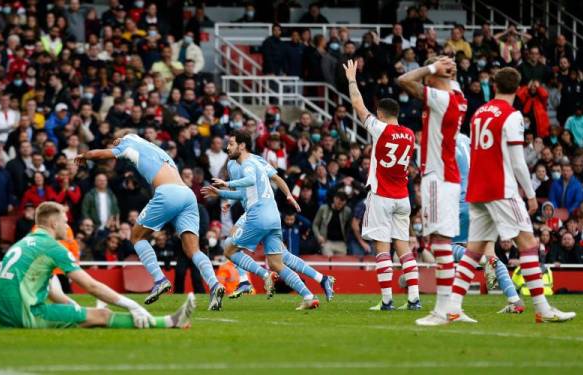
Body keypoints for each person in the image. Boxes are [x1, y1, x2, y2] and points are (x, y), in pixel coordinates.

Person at [448, 67, 575, 324]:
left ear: (494, 85)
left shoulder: (479, 114)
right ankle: (542, 309)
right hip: (500, 189)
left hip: (477, 190)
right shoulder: (512, 115)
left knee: (473, 250)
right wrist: (529, 194)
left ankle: (452, 307)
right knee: (528, 244)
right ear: (518, 89)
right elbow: (518, 161)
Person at [75, 132, 225, 309]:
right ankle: (215, 285)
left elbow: (99, 154)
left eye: (119, 138)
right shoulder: (158, 151)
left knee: (137, 237)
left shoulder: (129, 145)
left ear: (128, 137)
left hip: (168, 193)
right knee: (193, 249)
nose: (116, 142)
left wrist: (84, 156)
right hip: (187, 195)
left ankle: (159, 279)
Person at [0, 202, 195, 329]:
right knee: (102, 314)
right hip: (25, 316)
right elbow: (91, 286)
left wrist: (75, 310)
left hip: (6, 318)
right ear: (54, 224)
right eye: (65, 222)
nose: (67, 226)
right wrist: (132, 305)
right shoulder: (52, 247)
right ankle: (169, 322)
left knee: (83, 317)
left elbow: (51, 290)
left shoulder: (21, 245)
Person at [203, 145, 334, 301]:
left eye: (231, 144)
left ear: (241, 146)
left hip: (256, 213)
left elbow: (265, 181)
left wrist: (288, 195)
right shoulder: (248, 162)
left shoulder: (248, 163)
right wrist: (229, 201)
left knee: (230, 245)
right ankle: (317, 285)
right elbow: (249, 190)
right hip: (271, 213)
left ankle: (250, 279)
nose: (228, 147)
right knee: (280, 258)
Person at [344, 59, 422, 311]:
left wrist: (352, 79)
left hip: (382, 195)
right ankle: (414, 298)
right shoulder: (410, 135)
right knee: (404, 247)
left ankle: (387, 300)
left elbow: (357, 104)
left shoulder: (380, 129)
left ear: (380, 114)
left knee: (382, 247)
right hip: (403, 197)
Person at [398, 56, 466, 326]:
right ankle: (453, 309)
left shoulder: (442, 99)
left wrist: (432, 68)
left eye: (429, 77)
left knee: (439, 244)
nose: (425, 80)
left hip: (437, 177)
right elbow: (450, 78)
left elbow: (403, 80)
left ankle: (441, 311)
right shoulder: (458, 94)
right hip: (448, 175)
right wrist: (444, 68)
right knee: (443, 243)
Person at [450, 133, 525, 314]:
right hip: (482, 200)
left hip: (460, 201)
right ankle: (515, 300)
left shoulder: (444, 141)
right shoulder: (469, 140)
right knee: (491, 254)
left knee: (443, 247)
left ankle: (482, 261)